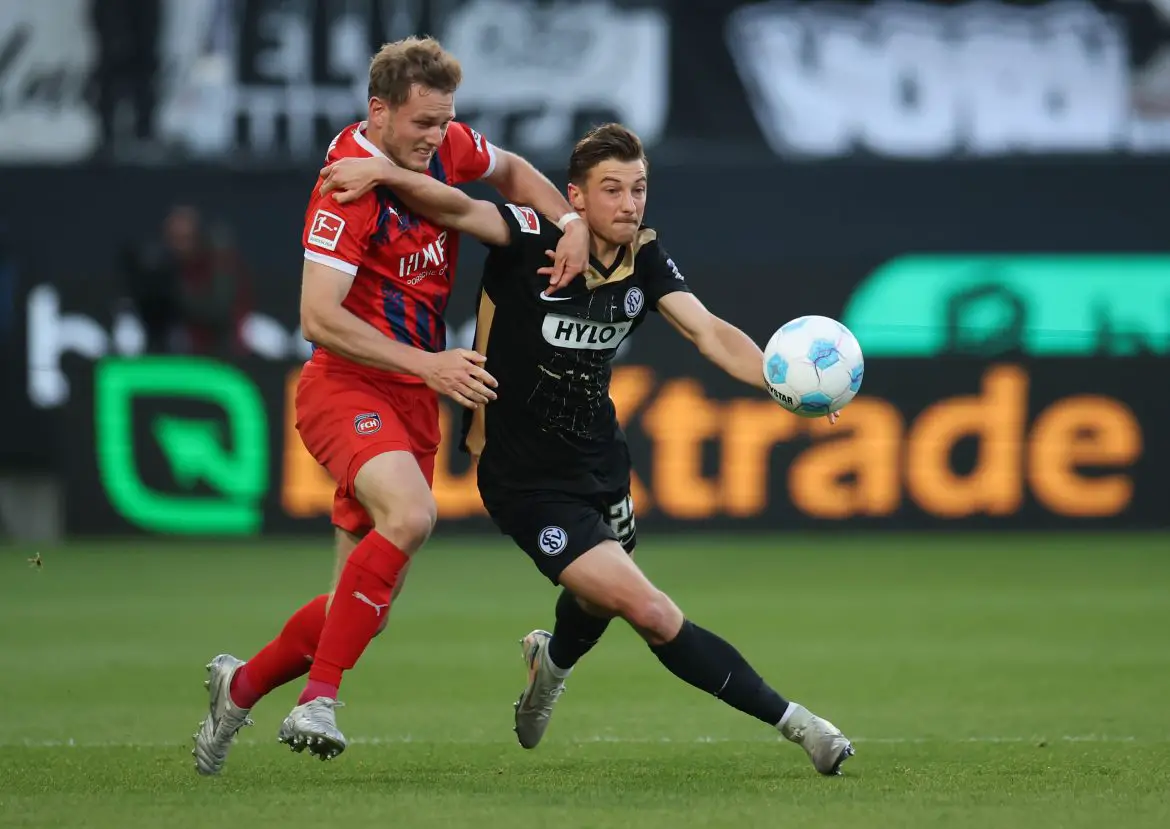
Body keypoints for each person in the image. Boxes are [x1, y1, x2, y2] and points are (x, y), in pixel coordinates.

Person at [314, 123, 855, 775]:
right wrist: (383, 172)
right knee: (649, 608)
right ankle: (803, 726)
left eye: (639, 188)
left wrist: (780, 381)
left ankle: (552, 663)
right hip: (525, 481)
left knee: (600, 599)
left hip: (601, 462)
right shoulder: (531, 239)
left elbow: (708, 332)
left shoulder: (643, 258)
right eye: (612, 189)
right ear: (576, 196)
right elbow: (457, 207)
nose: (629, 204)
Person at [192, 36, 589, 775]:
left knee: (359, 610)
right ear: (378, 112)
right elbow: (317, 317)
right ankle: (317, 701)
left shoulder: (442, 147)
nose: (437, 136)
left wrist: (569, 223)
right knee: (411, 515)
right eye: (422, 123)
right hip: (346, 384)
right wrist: (431, 364)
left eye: (445, 121)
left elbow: (509, 170)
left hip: (410, 396)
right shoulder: (345, 187)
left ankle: (237, 688)